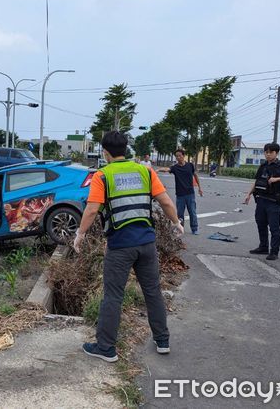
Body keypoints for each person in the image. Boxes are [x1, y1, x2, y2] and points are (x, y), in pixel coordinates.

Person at [73, 131, 184, 362]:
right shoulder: (145, 171)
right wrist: (176, 223)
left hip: (120, 246)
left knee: (113, 295)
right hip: (146, 243)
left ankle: (106, 348)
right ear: (126, 149)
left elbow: (92, 210)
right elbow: (165, 201)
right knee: (152, 291)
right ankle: (162, 340)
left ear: (105, 152)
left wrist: (80, 234)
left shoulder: (102, 176)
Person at [244, 143, 280, 261]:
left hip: (273, 202)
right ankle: (263, 247)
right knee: (261, 224)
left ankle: (274, 252)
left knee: (274, 227)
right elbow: (257, 181)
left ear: (276, 153)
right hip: (261, 200)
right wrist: (248, 194)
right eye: (266, 152)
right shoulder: (263, 166)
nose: (268, 154)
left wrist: (278, 178)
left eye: (271, 152)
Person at [157, 149, 203, 235]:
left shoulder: (190, 165)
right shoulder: (175, 168)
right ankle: (180, 229)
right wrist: (159, 170)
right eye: (176, 156)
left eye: (179, 155)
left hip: (190, 194)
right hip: (180, 195)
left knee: (192, 212)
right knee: (180, 214)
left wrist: (200, 188)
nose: (178, 157)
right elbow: (167, 169)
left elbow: (195, 175)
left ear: (183, 156)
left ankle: (194, 228)